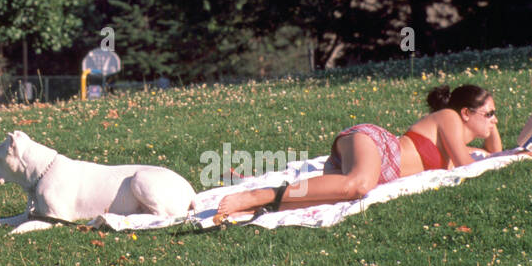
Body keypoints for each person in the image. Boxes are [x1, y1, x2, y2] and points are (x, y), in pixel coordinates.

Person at [215, 84, 503, 218]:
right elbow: (470, 166)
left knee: (327, 198)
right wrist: (506, 154)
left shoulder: (460, 139)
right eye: (490, 113)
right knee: (359, 184)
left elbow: (493, 151)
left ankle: (262, 199)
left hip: (376, 166)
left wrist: (494, 129)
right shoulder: (449, 118)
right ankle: (257, 194)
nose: (494, 120)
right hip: (375, 144)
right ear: (466, 112)